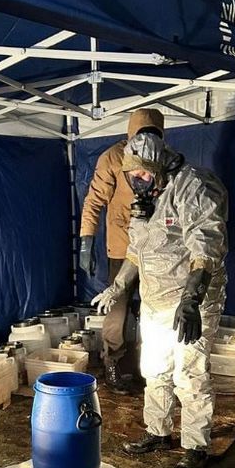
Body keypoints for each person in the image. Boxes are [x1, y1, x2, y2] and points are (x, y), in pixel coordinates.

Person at [92, 130, 228, 468]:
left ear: (159, 167)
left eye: (143, 176)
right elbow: (137, 251)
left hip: (190, 301)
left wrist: (191, 300)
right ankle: (158, 431)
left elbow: (206, 250)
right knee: (154, 371)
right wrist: (117, 287)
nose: (137, 183)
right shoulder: (146, 201)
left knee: (190, 374)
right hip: (155, 300)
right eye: (131, 177)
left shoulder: (192, 187)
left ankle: (196, 445)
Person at [79, 109, 166, 393]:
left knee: (153, 308)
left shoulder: (164, 157)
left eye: (153, 135)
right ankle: (112, 363)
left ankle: (147, 364)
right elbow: (93, 202)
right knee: (118, 306)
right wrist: (86, 241)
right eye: (143, 135)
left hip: (156, 247)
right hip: (122, 246)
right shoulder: (114, 158)